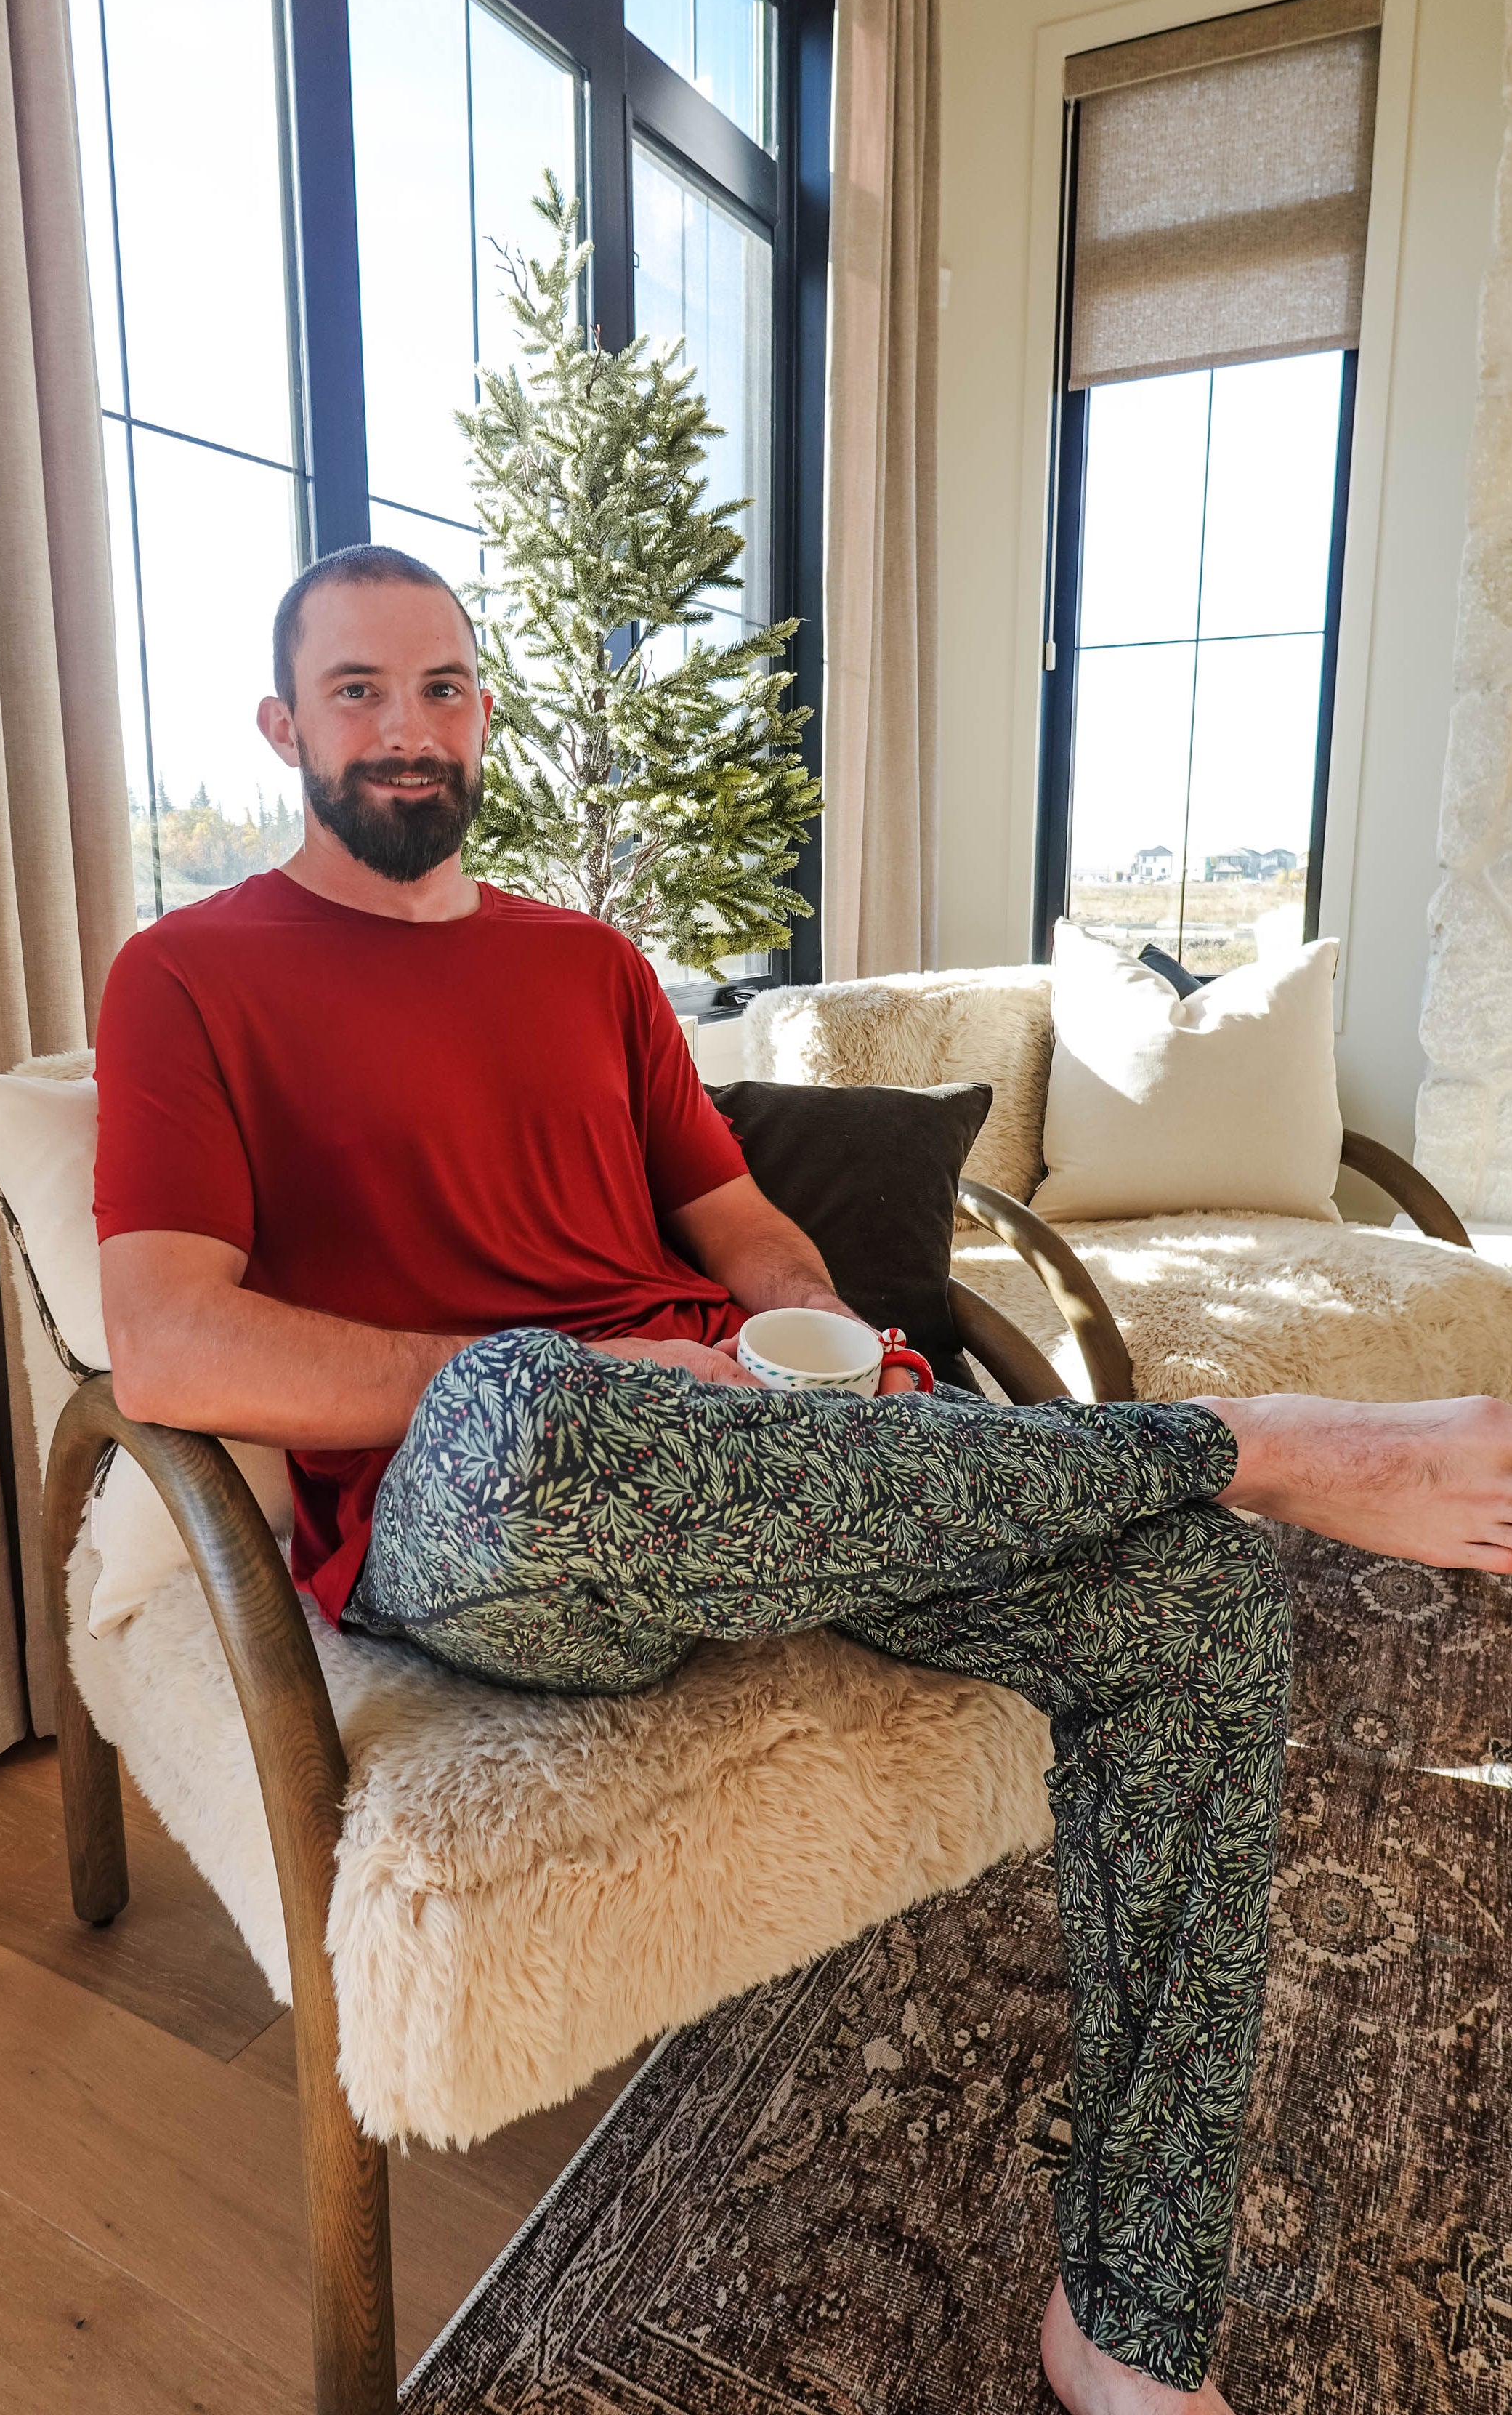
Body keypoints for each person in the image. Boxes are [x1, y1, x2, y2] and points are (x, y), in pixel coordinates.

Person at [94, 546, 1512, 2415]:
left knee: (1200, 1605)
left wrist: (822, 1344)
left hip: (766, 1457)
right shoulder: (187, 976)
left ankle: (1128, 2327)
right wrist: (596, 1376)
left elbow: (744, 1226)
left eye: (441, 687)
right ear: (284, 726)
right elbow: (171, 1346)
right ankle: (1256, 1444)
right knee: (531, 1407)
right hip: (501, 1503)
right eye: (358, 691)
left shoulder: (585, 966)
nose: (408, 729)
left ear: (483, 713)